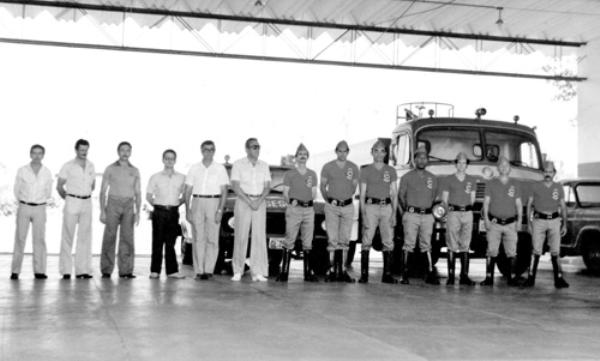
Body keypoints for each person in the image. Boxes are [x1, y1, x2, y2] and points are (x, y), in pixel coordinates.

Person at [184, 140, 229, 280]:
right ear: (201, 151)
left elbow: (224, 191)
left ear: (214, 151)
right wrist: (188, 209)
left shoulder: (220, 168)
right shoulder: (194, 168)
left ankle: (209, 269)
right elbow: (188, 190)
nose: (208, 152)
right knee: (198, 238)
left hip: (214, 202)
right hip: (197, 201)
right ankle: (199, 270)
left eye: (211, 149)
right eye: (205, 149)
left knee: (213, 238)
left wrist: (220, 210)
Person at [357, 140, 398, 284]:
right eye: (376, 150)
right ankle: (364, 275)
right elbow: (362, 195)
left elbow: (394, 193)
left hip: (386, 207)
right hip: (371, 207)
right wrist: (363, 215)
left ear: (386, 153)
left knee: (388, 240)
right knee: (367, 239)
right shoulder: (365, 171)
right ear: (372, 152)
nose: (379, 153)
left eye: (382, 151)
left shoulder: (391, 170)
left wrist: (394, 214)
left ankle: (387, 275)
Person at [523, 161, 569, 288]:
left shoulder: (558, 187)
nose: (548, 174)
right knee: (536, 249)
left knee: (555, 250)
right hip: (539, 221)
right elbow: (529, 205)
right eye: (546, 171)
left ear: (554, 173)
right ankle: (530, 278)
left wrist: (564, 224)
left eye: (550, 171)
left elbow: (563, 206)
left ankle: (558, 279)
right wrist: (529, 223)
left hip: (554, 220)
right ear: (543, 173)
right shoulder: (535, 186)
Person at [99, 141, 141, 279]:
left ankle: (126, 270)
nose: (125, 152)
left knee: (127, 238)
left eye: (128, 150)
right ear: (118, 152)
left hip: (129, 205)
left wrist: (138, 212)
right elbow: (103, 191)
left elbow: (138, 193)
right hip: (113, 203)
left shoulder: (134, 170)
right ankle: (106, 269)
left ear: (131, 152)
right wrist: (102, 211)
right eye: (122, 150)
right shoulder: (110, 168)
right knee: (110, 236)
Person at [230, 138, 271, 282]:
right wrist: (249, 201)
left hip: (260, 201)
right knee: (241, 235)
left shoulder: (264, 165)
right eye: (254, 147)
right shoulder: (238, 164)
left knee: (259, 237)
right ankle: (237, 270)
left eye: (258, 147)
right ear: (247, 149)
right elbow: (235, 186)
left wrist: (258, 201)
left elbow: (267, 186)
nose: (257, 149)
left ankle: (258, 271)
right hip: (243, 201)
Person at [10, 144, 53, 280]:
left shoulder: (47, 172)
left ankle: (39, 271)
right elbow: (16, 190)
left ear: (43, 155)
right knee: (20, 238)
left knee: (39, 239)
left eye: (39, 153)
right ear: (30, 154)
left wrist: (40, 202)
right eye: (34, 153)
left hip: (40, 207)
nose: (37, 156)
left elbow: (48, 191)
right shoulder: (22, 170)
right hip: (24, 206)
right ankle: (15, 271)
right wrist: (24, 201)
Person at [277, 143, 318, 282]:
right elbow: (285, 193)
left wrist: (306, 201)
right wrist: (291, 201)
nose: (302, 157)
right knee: (290, 239)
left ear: (307, 157)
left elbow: (313, 193)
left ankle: (308, 273)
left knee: (308, 240)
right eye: (300, 154)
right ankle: (284, 273)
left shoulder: (312, 174)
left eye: (305, 155)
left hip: (308, 209)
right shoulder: (290, 174)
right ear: (295, 157)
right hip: (294, 209)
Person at [398, 146, 439, 285]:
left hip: (427, 215)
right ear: (414, 160)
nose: (422, 160)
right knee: (408, 244)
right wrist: (407, 211)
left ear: (427, 160)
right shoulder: (406, 177)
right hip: (411, 214)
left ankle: (429, 273)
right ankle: (404, 274)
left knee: (426, 245)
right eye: (419, 157)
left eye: (424, 157)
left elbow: (433, 197)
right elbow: (401, 196)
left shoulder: (432, 178)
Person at [320, 140, 359, 283]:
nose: (342, 154)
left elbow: (353, 188)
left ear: (348, 152)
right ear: (336, 151)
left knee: (345, 239)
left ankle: (342, 270)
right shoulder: (328, 167)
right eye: (340, 151)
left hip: (348, 206)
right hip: (332, 206)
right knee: (332, 239)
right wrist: (329, 200)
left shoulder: (353, 167)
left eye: (345, 151)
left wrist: (345, 198)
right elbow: (323, 186)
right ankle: (331, 270)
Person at [480, 156, 522, 286]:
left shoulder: (515, 183)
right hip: (494, 223)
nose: (504, 167)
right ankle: (488, 278)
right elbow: (486, 203)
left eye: (506, 165)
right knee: (492, 251)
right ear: (498, 168)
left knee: (512, 252)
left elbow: (519, 204)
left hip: (510, 223)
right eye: (501, 165)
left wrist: (520, 221)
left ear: (510, 168)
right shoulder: (491, 183)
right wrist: (486, 219)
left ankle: (512, 278)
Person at [57, 139, 96, 279]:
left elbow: (93, 186)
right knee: (68, 236)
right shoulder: (68, 166)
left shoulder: (91, 166)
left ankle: (83, 270)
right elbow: (59, 186)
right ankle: (66, 271)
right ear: (76, 150)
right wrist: (69, 199)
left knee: (85, 237)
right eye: (81, 150)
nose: (84, 152)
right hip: (72, 200)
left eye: (86, 150)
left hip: (87, 202)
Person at [146, 149, 186, 279]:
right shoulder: (155, 177)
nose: (169, 161)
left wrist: (176, 204)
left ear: (175, 160)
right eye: (167, 158)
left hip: (173, 212)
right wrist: (158, 205)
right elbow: (148, 195)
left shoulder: (181, 178)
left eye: (172, 158)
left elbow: (185, 195)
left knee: (171, 242)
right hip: (159, 212)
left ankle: (172, 271)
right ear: (163, 160)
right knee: (157, 241)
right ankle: (155, 271)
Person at [441, 152, 477, 286]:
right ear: (456, 164)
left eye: (464, 163)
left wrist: (466, 208)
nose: (462, 165)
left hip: (467, 212)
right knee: (452, 243)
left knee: (465, 244)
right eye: (459, 162)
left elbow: (472, 199)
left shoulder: (471, 180)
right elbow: (445, 199)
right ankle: (451, 276)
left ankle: (464, 276)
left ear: (467, 165)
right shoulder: (448, 179)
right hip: (453, 212)